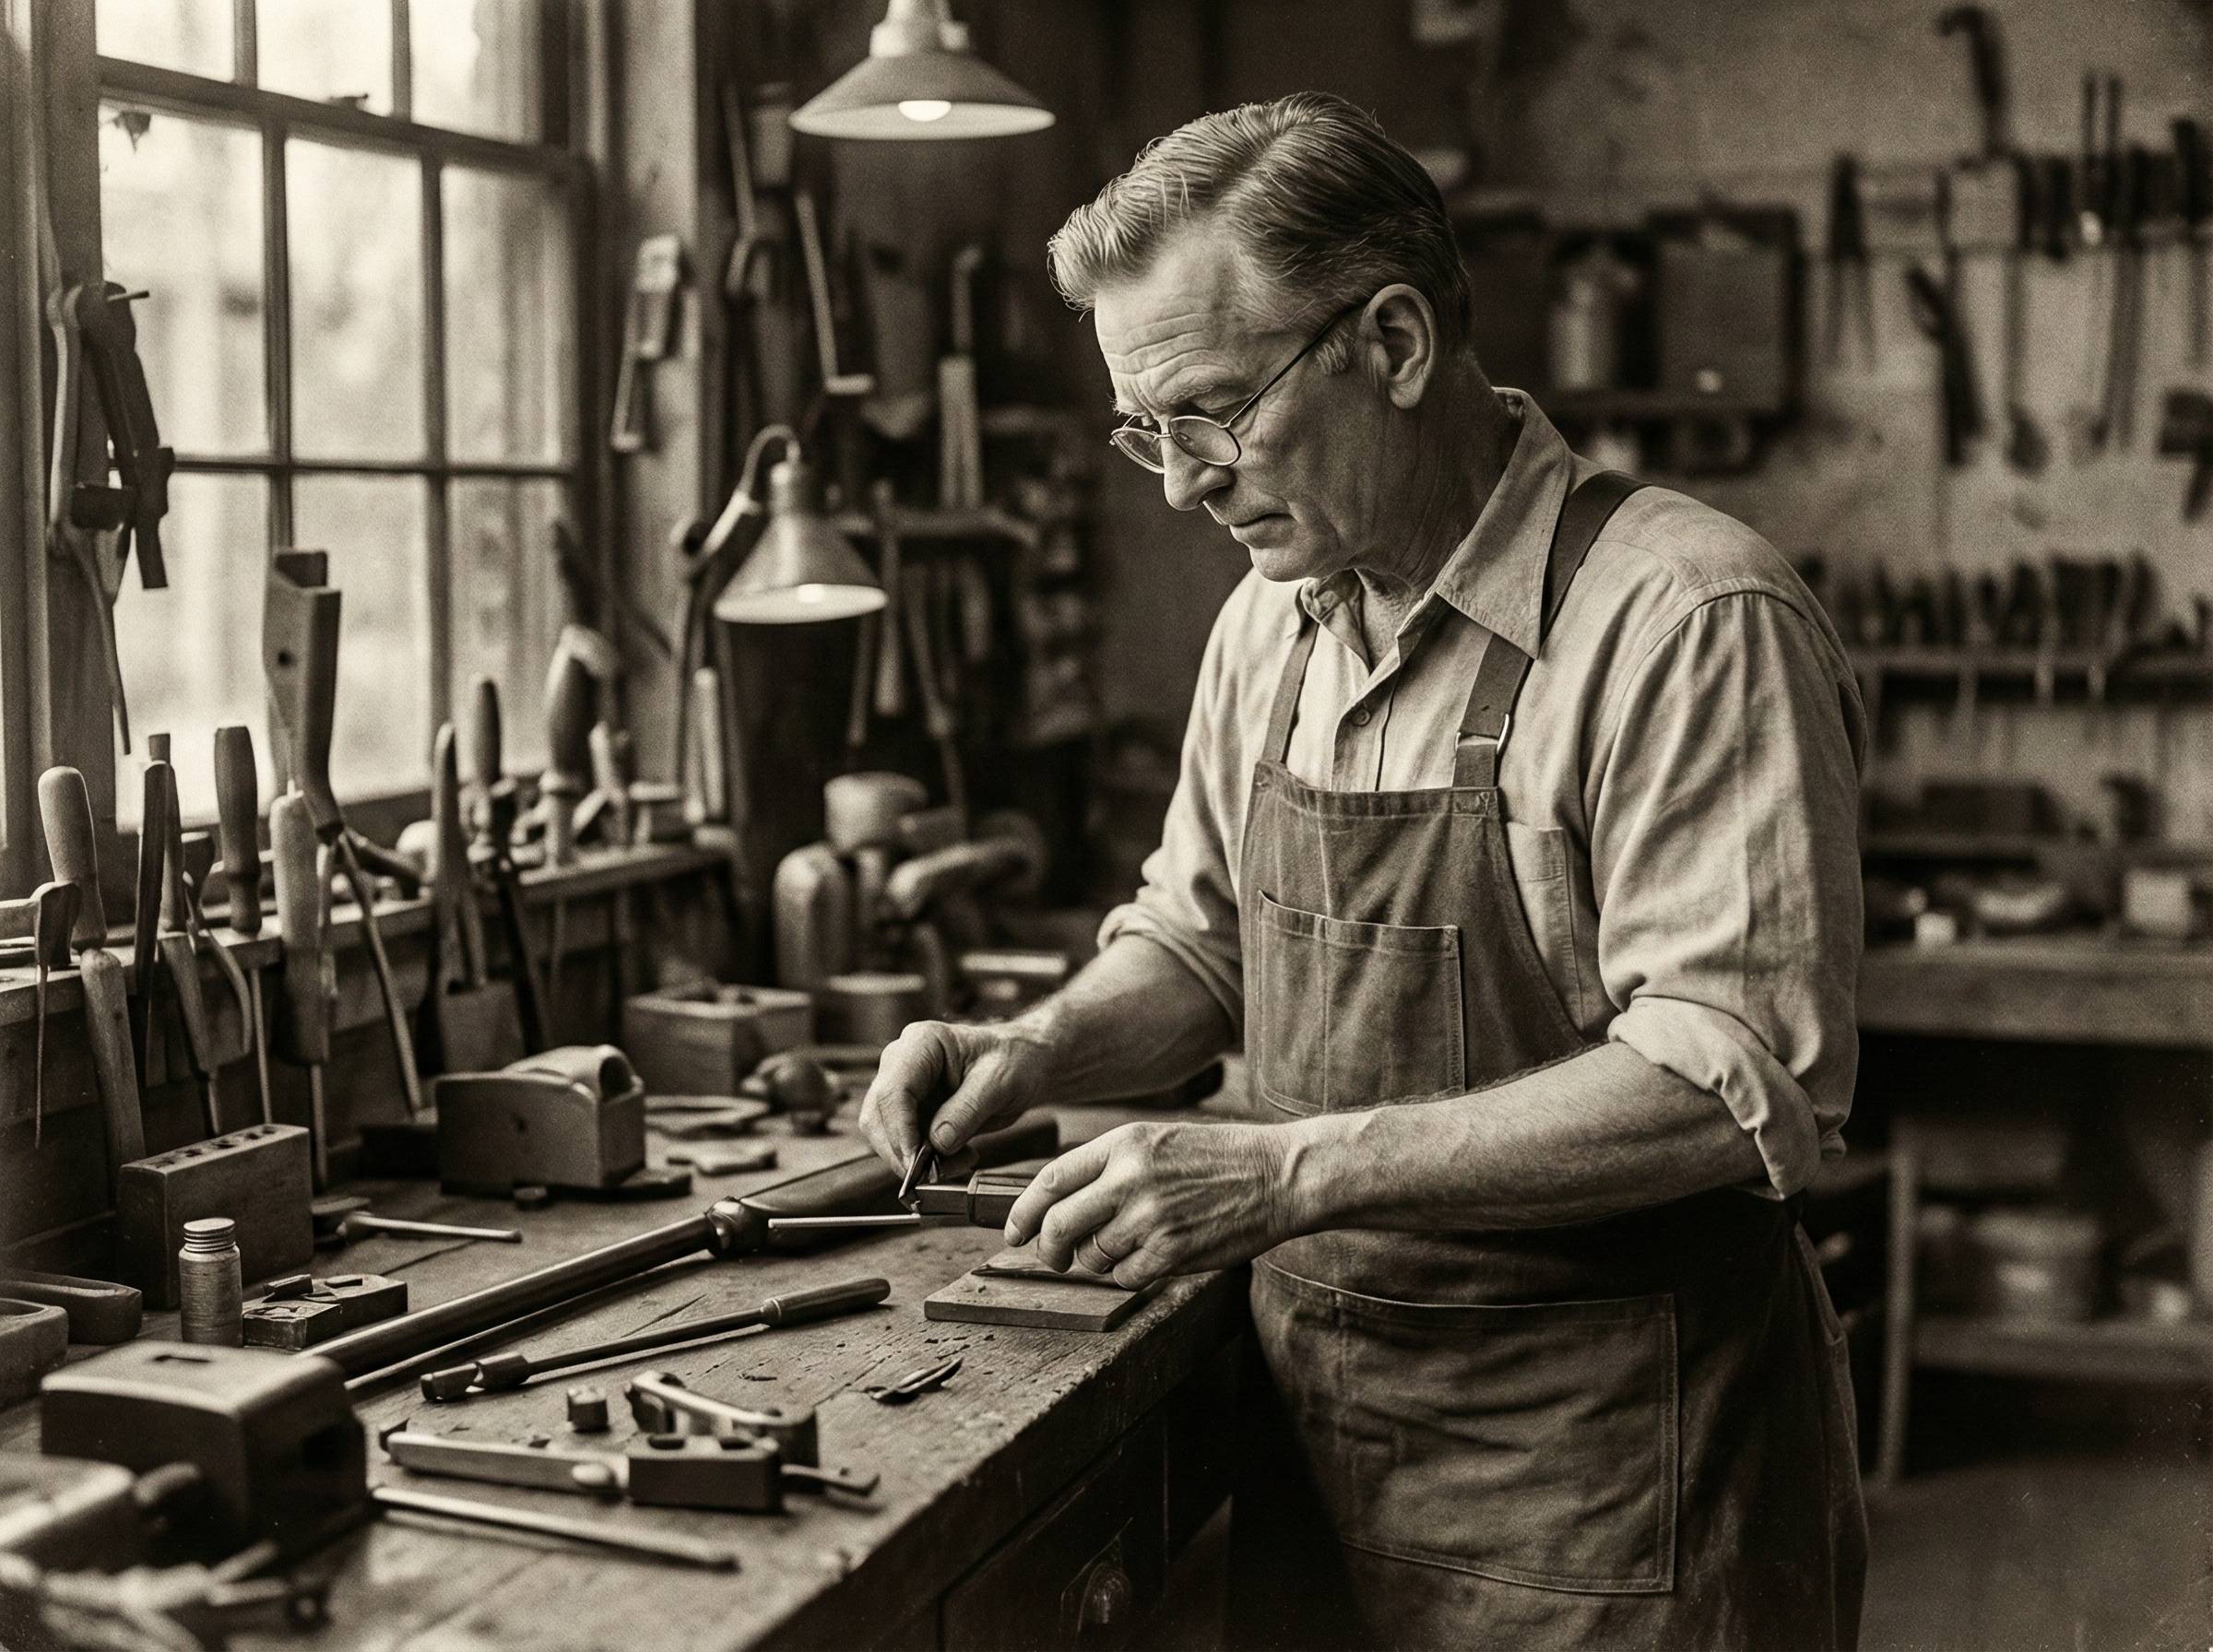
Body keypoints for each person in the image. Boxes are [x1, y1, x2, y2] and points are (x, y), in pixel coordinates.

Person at [858, 90, 1868, 1649]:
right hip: (1325, 1454)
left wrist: (1282, 1168)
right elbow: (1199, 947)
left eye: (1212, 413)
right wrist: (1035, 1048)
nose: (1184, 484)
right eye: (1148, 433)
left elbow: (1728, 1077)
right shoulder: (1276, 619)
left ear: (1392, 344)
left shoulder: (1684, 622)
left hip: (1615, 1491)